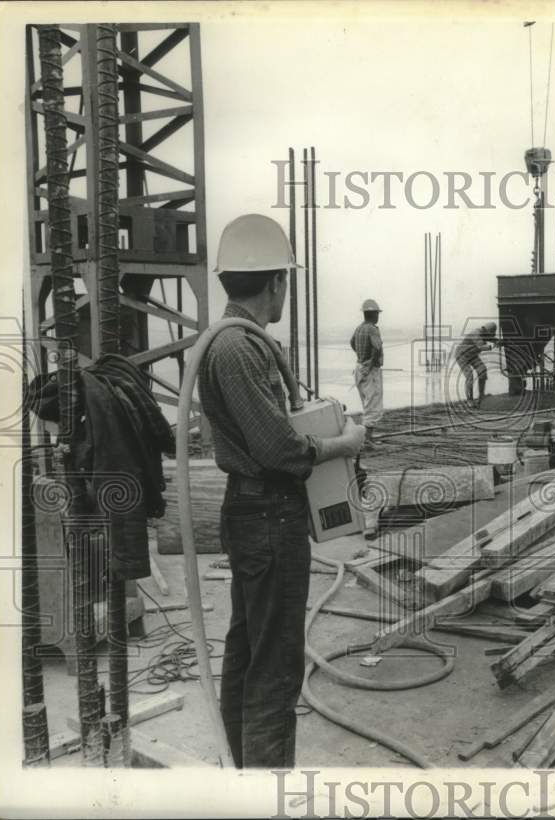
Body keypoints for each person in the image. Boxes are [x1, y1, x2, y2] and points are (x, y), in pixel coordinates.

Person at [198, 214, 365, 768]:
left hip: (256, 513)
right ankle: (266, 790)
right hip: (268, 515)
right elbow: (280, 451)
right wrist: (345, 443)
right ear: (276, 282)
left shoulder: (235, 342)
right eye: (286, 281)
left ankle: (242, 777)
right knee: (275, 665)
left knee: (249, 654)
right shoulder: (238, 349)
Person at [350, 299, 384, 448]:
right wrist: (370, 362)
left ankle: (367, 438)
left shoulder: (359, 328)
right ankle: (367, 440)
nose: (378, 316)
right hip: (370, 371)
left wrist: (361, 357)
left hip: (359, 368)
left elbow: (351, 342)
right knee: (373, 405)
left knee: (367, 403)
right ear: (373, 314)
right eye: (377, 313)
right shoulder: (372, 329)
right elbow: (377, 348)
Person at [454, 321, 498, 407]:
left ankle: (481, 397)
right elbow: (481, 346)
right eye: (491, 334)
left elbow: (492, 339)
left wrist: (498, 341)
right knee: (469, 376)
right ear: (486, 331)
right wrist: (493, 346)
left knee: (482, 370)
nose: (490, 336)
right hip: (461, 355)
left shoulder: (485, 333)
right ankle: (469, 400)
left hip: (472, 355)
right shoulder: (476, 333)